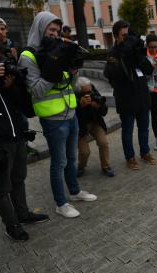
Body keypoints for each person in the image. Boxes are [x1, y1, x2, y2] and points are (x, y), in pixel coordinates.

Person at [18, 11, 97, 219]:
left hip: (70, 113)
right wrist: (53, 70)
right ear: (40, 29)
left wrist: (72, 74)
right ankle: (61, 203)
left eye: (57, 30)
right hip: (53, 119)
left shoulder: (56, 51)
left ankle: (74, 191)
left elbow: (67, 85)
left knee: (71, 158)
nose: (54, 34)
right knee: (59, 162)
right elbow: (36, 89)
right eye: (51, 30)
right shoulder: (28, 56)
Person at [0, 38, 49, 241]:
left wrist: (14, 85)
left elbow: (25, 107)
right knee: (2, 188)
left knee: (18, 179)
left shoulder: (5, 77)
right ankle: (11, 225)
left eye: (0, 60)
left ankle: (22, 214)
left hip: (17, 138)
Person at [104, 20, 157, 170]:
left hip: (142, 98)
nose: (128, 39)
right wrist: (125, 56)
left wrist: (139, 55)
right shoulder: (113, 54)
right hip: (126, 100)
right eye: (124, 36)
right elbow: (113, 77)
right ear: (116, 36)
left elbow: (148, 70)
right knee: (127, 131)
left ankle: (145, 152)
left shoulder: (134, 51)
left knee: (144, 128)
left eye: (129, 35)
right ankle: (130, 158)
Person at [74, 77, 114, 177]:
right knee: (85, 152)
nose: (89, 93)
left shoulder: (92, 91)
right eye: (86, 92)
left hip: (95, 122)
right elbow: (71, 116)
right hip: (80, 126)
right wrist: (80, 106)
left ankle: (106, 166)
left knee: (103, 142)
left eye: (90, 90)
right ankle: (81, 167)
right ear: (80, 90)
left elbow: (104, 111)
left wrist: (99, 106)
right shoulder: (73, 96)